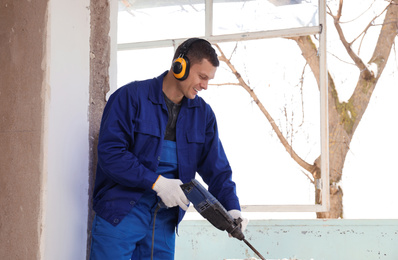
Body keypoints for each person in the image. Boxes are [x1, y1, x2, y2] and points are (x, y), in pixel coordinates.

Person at [89, 38, 247, 260]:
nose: (205, 86)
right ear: (179, 67)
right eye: (202, 77)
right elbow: (111, 154)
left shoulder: (203, 115)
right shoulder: (130, 98)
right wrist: (157, 182)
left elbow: (217, 168)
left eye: (209, 79)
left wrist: (232, 209)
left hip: (165, 218)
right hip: (122, 212)